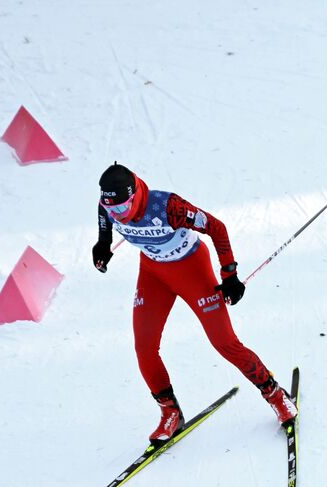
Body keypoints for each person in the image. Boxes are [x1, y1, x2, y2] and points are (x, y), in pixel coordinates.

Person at [91, 163, 296, 442]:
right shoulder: (109, 204)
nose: (118, 215)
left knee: (224, 341)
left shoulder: (167, 207)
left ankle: (275, 394)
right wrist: (103, 244)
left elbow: (216, 227)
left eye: (123, 209)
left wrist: (230, 274)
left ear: (135, 195)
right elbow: (106, 220)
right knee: (144, 348)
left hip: (192, 270)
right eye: (112, 210)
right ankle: (170, 413)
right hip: (153, 273)